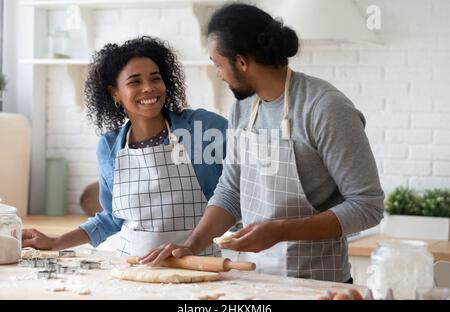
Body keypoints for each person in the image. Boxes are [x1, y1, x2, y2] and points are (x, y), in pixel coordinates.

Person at [143, 4, 385, 283]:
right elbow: (231, 190)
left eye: (218, 63)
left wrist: (280, 230)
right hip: (253, 279)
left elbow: (367, 206)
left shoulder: (325, 108)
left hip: (316, 282)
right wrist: (191, 244)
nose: (219, 73)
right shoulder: (242, 109)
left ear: (242, 62)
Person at [22, 36, 227, 257]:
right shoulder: (109, 147)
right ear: (115, 93)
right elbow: (112, 217)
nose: (148, 88)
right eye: (135, 82)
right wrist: (56, 242)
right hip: (134, 268)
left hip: (199, 265)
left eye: (155, 79)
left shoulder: (201, 129)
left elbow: (248, 174)